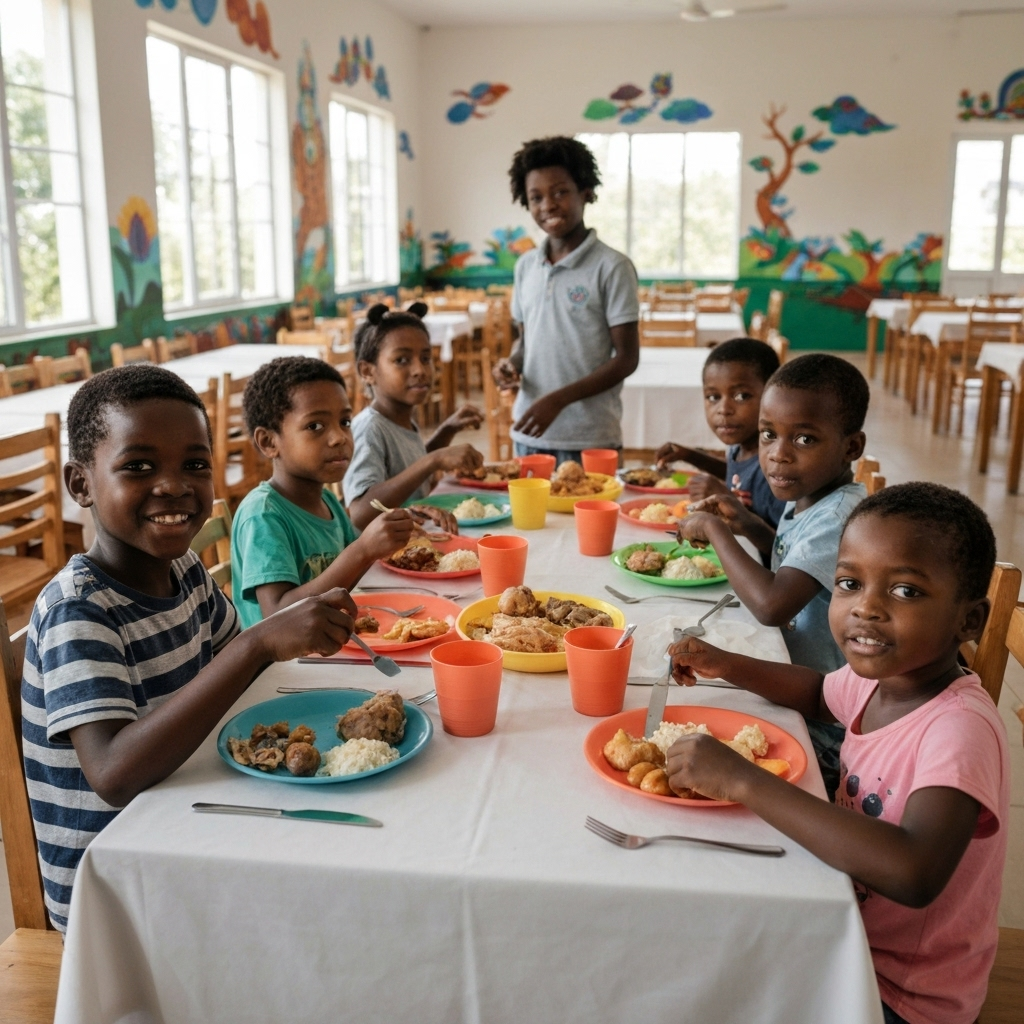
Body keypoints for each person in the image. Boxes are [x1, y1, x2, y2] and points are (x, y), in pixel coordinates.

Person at [21, 365, 356, 932]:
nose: (174, 485)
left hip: (185, 821)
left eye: (195, 465)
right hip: (114, 892)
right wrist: (257, 645)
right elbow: (113, 772)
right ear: (81, 485)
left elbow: (247, 678)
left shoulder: (184, 571)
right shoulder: (79, 610)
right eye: (138, 466)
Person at [666, 483, 1009, 1024]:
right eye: (849, 583)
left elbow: (914, 870)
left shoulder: (958, 729)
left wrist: (745, 781)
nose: (866, 608)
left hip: (900, 993)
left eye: (906, 592)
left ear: (969, 621)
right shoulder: (884, 680)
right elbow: (817, 694)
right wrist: (726, 663)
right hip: (839, 925)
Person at [676, 353, 869, 796]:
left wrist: (715, 529)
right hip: (793, 678)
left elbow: (771, 604)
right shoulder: (811, 495)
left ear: (851, 447)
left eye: (804, 439)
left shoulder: (836, 516)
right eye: (768, 434)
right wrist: (748, 525)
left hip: (825, 728)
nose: (778, 455)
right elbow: (793, 562)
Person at [231, 356, 418, 628]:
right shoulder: (263, 515)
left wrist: (390, 537)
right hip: (283, 666)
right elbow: (278, 615)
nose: (339, 437)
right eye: (315, 426)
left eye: (345, 422)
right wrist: (363, 550)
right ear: (269, 442)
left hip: (330, 643)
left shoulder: (327, 500)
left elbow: (352, 574)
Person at [493, 135, 640, 463]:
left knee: (588, 517)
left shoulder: (612, 266)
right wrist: (511, 365)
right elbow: (525, 339)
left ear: (585, 193)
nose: (548, 205)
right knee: (530, 517)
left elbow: (627, 358)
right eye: (536, 197)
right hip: (529, 430)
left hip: (590, 436)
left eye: (560, 192)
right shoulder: (525, 266)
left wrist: (557, 400)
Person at [343, 302, 484, 530]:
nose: (420, 370)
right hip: (380, 560)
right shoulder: (369, 429)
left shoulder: (400, 418)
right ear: (368, 371)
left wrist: (446, 430)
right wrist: (434, 460)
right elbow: (361, 513)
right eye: (401, 360)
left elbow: (408, 470)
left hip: (415, 543)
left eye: (426, 358)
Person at [655, 337, 784, 564]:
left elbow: (784, 550)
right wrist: (690, 456)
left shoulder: (777, 467)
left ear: (772, 395)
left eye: (741, 396)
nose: (724, 409)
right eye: (713, 397)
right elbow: (739, 475)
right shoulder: (740, 448)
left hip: (762, 578)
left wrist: (726, 496)